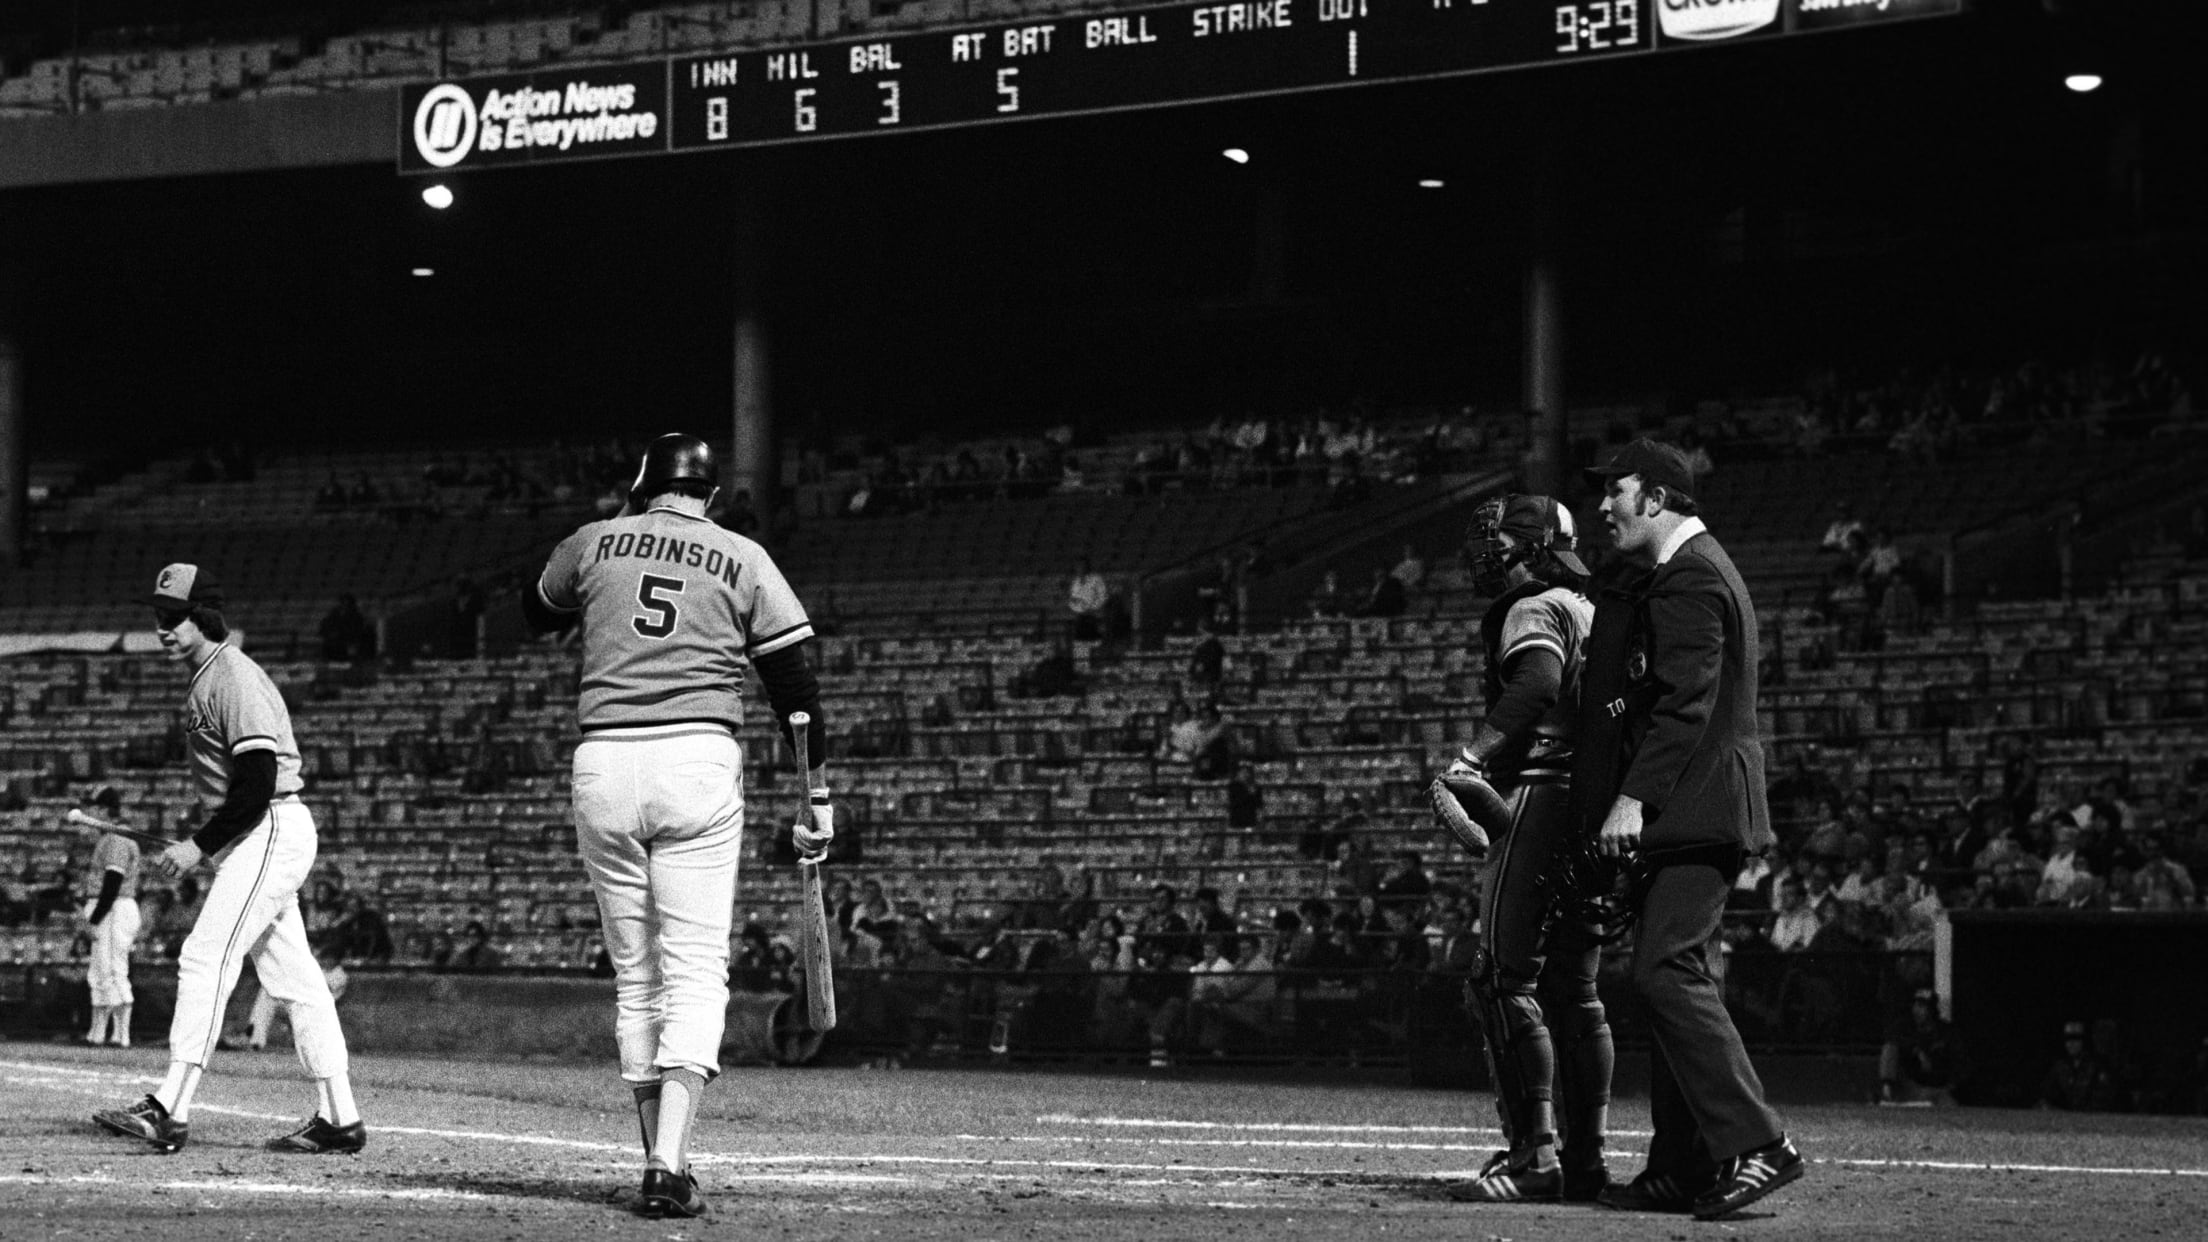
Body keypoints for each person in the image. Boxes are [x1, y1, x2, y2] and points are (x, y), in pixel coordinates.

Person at [522, 433, 832, 1220]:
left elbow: (534, 610)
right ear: (711, 494)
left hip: (604, 763)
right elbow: (795, 689)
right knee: (695, 968)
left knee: (637, 973)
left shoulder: (593, 541)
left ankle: (655, 1157)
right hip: (696, 757)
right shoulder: (744, 554)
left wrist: (620, 530)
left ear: (642, 484)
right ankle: (669, 1163)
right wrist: (814, 797)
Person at [1579, 440, 1801, 1218]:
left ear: (1661, 497)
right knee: (1673, 972)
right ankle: (1682, 1166)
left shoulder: (1689, 576)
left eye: (1617, 489)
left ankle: (1758, 1142)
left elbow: (1686, 703)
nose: (1604, 504)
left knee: (1663, 969)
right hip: (1706, 799)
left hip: (1698, 802)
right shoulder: (1698, 568)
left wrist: (1632, 799)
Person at [93, 564, 366, 1156]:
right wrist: (208, 842)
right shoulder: (207, 677)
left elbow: (257, 781)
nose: (163, 628)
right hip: (261, 832)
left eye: (175, 617)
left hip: (269, 824)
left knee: (205, 955)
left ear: (205, 617)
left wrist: (199, 845)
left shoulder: (232, 677)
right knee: (297, 981)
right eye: (159, 617)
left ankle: (170, 1106)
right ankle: (340, 1118)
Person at [1438, 494, 1613, 1205]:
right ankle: (1586, 1158)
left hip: (1544, 793)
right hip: (1598, 804)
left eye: (1499, 541)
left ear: (1532, 548)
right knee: (1576, 987)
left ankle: (1533, 1155)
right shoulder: (1592, 608)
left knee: (1501, 981)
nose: (1487, 554)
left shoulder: (1531, 607)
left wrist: (1471, 758)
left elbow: (1537, 681)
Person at [76, 785, 143, 1047]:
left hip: (114, 906)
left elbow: (113, 883)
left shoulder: (117, 839)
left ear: (104, 809)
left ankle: (121, 1034)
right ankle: (98, 1033)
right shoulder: (111, 837)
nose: (89, 812)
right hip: (110, 906)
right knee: (101, 970)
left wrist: (93, 920)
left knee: (114, 970)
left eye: (93, 807)